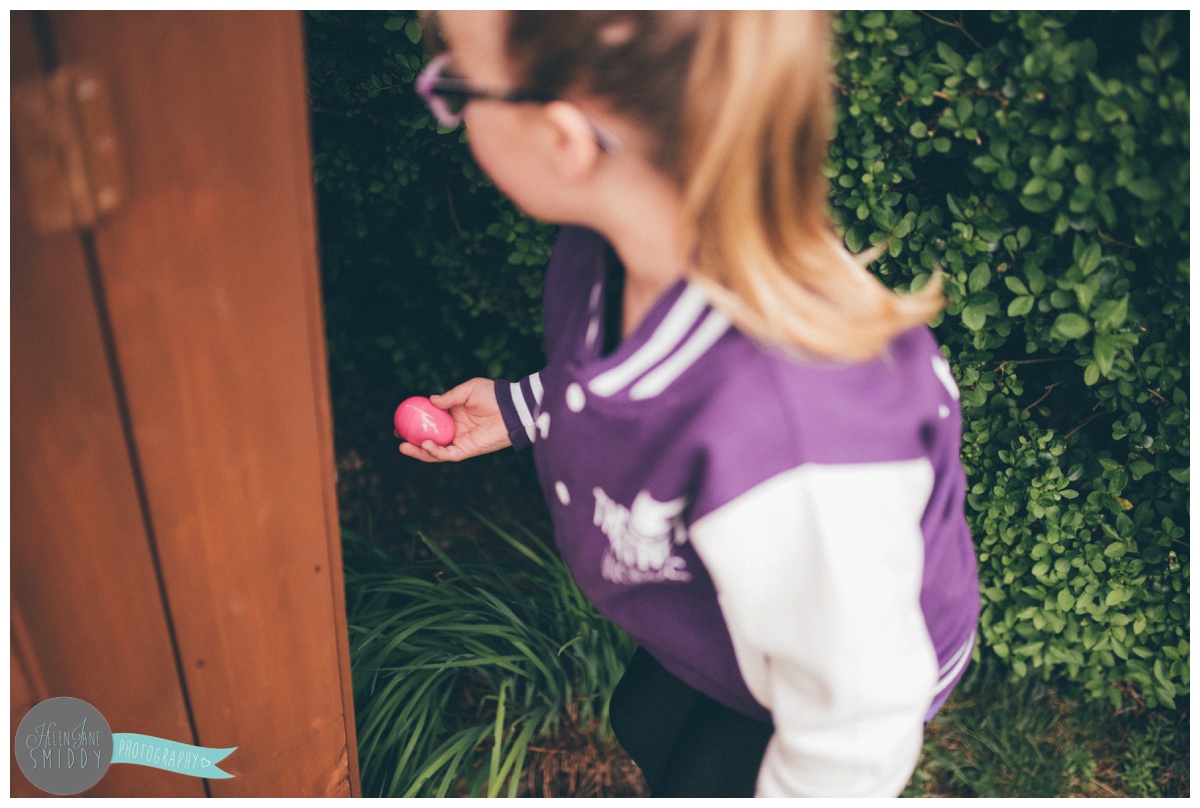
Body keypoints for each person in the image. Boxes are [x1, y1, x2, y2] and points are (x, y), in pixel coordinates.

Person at [399, 10, 980, 798]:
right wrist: (525, 407)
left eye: (456, 82)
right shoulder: (621, 239)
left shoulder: (794, 445)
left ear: (565, 140)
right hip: (715, 621)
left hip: (818, 689)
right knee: (654, 724)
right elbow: (620, 373)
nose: (450, 103)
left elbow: (854, 729)